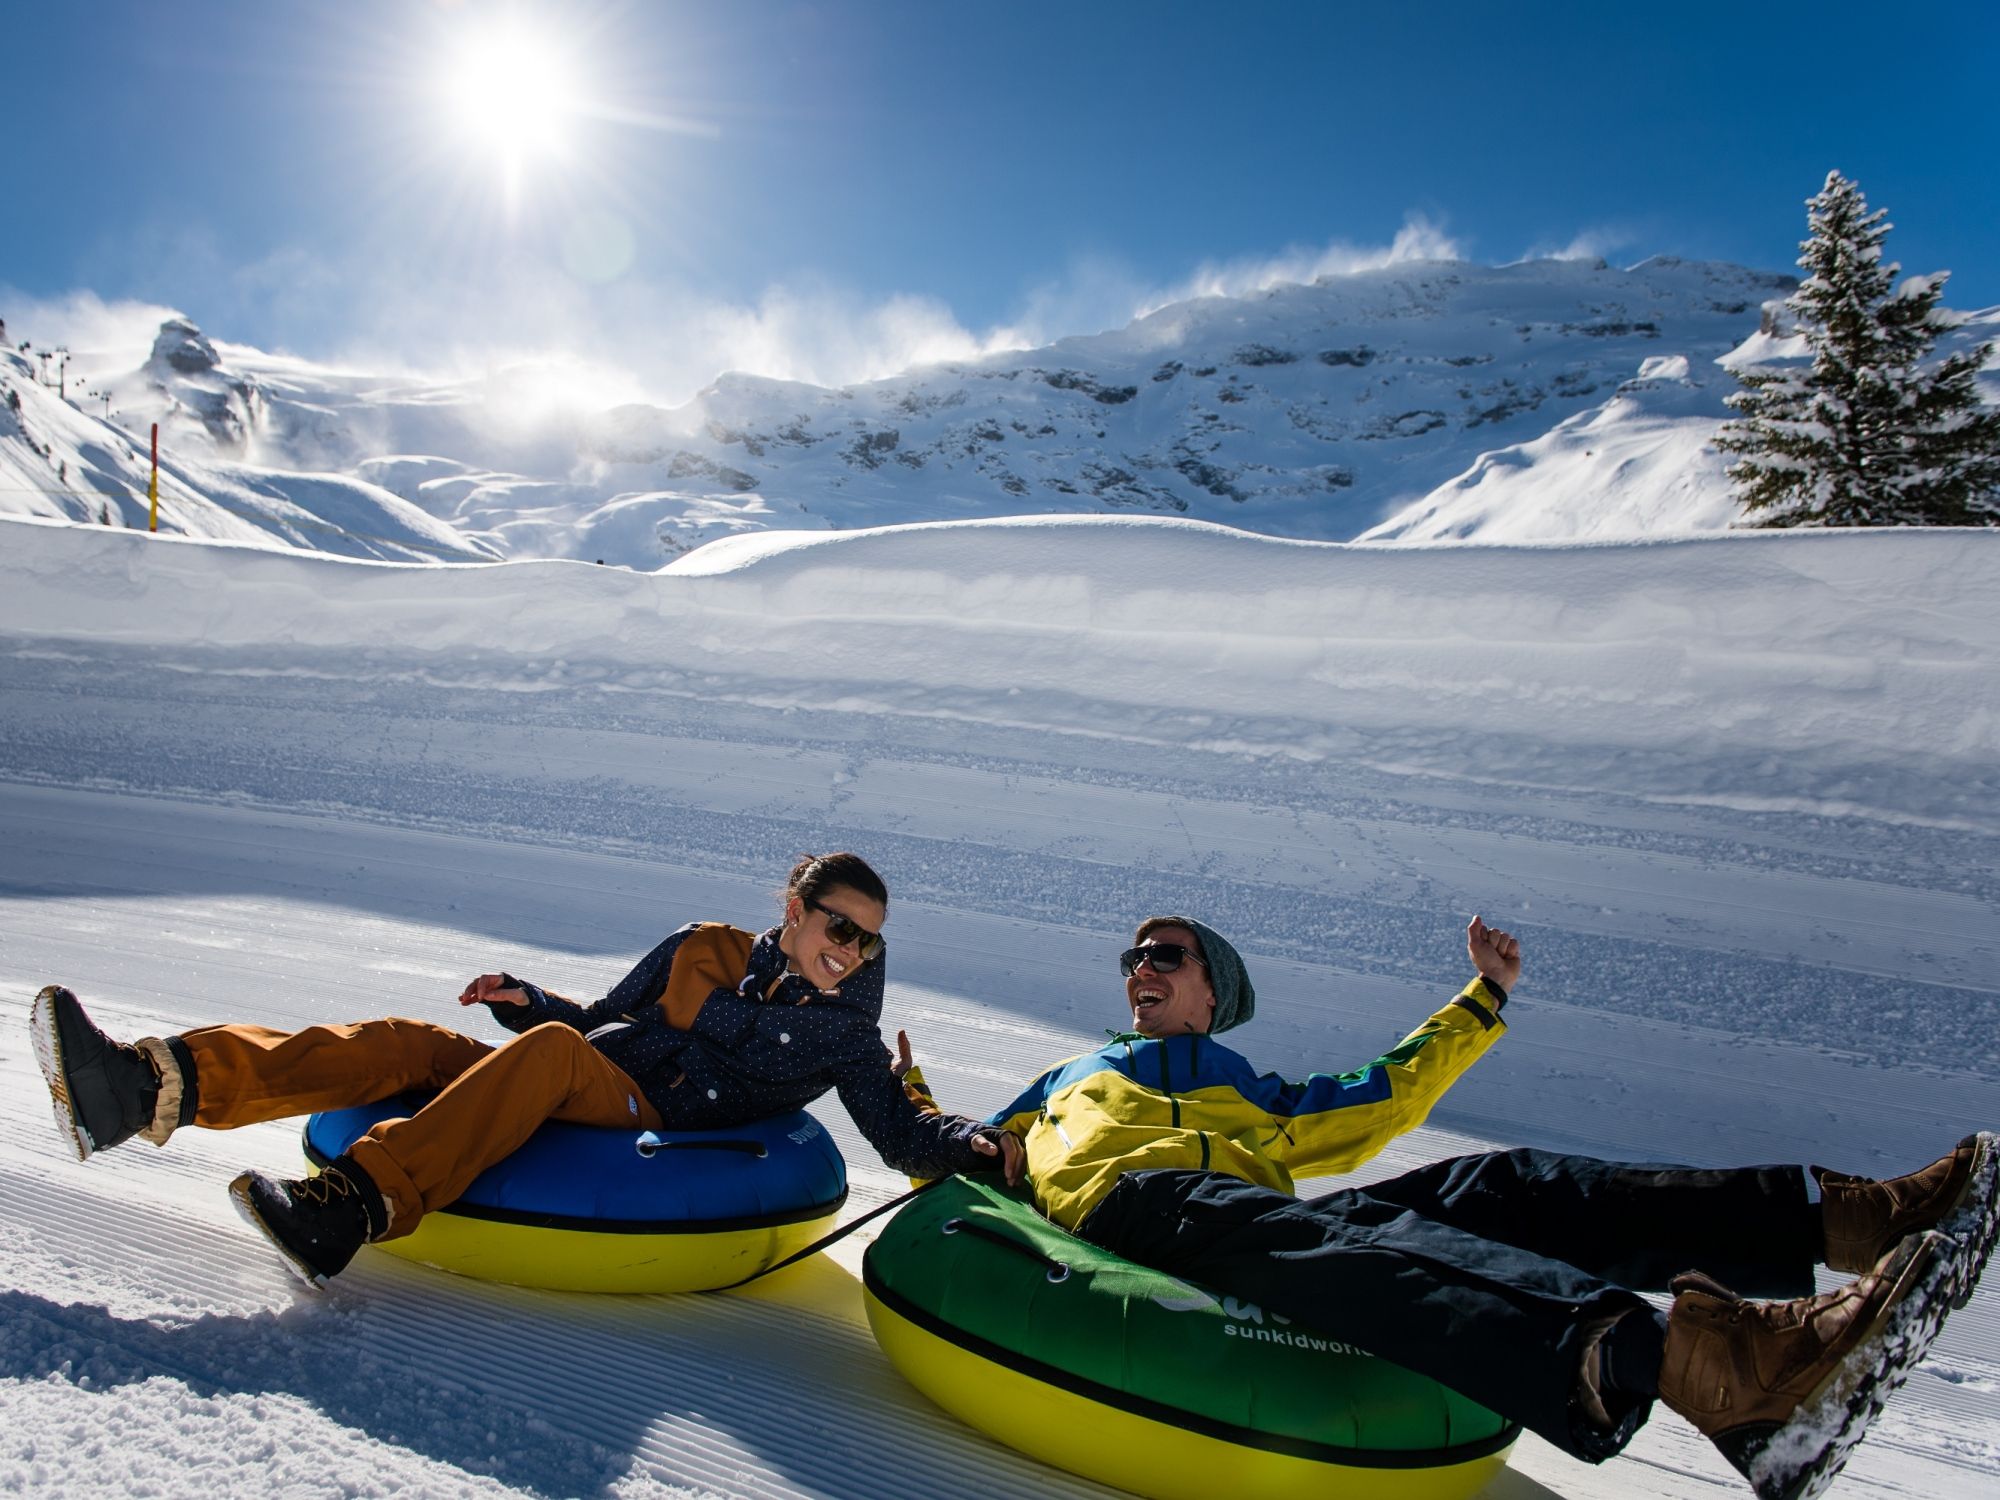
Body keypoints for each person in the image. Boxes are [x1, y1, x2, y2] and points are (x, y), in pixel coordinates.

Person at [967, 914, 1996, 1500]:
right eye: (1133, 957)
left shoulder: (1244, 1088)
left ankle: (1850, 1221)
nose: (1138, 968)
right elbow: (962, 1147)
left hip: (1232, 1206)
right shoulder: (1072, 1075)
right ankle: (1722, 1371)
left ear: (1209, 996)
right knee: (1346, 1235)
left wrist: (1479, 1003)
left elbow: (1378, 1098)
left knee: (1496, 1186)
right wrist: (916, 1101)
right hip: (1136, 1209)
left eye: (1164, 955)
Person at [31, 852, 1007, 1288]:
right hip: (592, 1066)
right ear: (792, 910)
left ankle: (350, 1209)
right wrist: (531, 1003)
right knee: (409, 1043)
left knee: (547, 1058)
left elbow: (894, 1126)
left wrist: (961, 1137)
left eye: (867, 942)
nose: (849, 951)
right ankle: (146, 1086)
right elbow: (602, 1020)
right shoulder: (700, 947)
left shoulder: (843, 1035)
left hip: (642, 1115)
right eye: (837, 926)